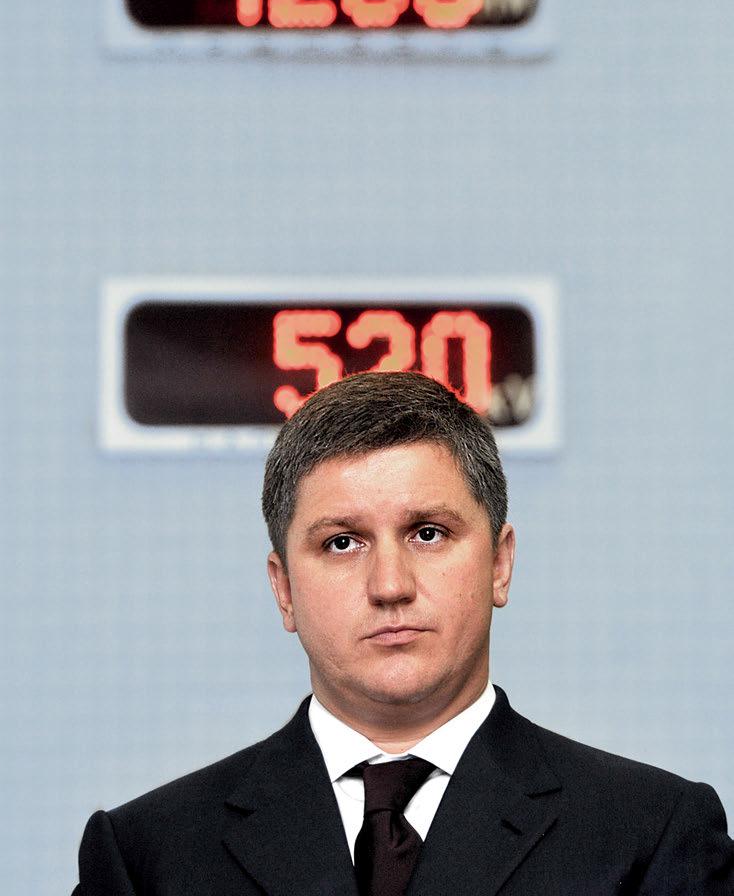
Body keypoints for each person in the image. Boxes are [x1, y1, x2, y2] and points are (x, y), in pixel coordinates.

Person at [72, 371, 733, 895]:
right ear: (284, 588)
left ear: (499, 564)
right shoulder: (145, 857)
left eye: (428, 533)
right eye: (342, 542)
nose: (390, 585)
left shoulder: (651, 835)